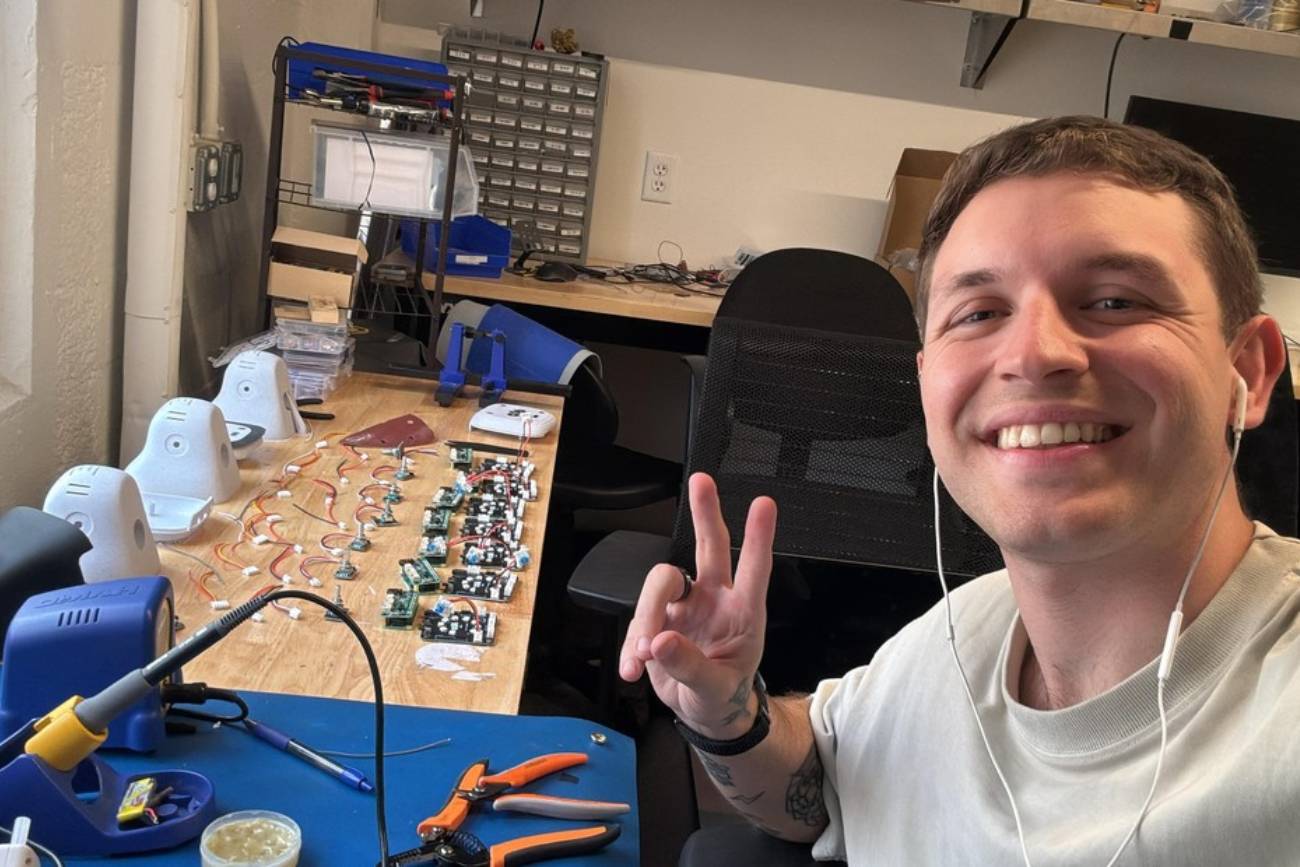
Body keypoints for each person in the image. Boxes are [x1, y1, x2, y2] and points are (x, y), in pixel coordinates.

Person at [618, 115, 1300, 865]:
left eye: (1114, 301)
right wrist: (728, 713)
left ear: (1250, 369)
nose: (1033, 353)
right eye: (979, 314)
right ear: (925, 382)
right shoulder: (961, 632)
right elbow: (822, 783)